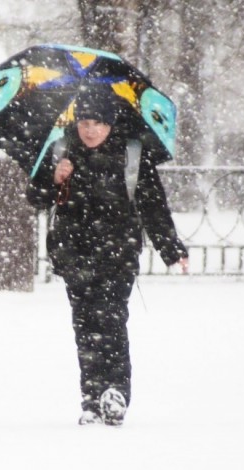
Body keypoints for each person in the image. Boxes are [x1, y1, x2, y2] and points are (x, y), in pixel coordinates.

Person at [26, 84, 188, 427]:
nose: (90, 129)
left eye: (98, 122)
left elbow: (153, 206)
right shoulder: (61, 149)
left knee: (111, 320)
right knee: (85, 326)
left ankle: (114, 392)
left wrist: (171, 248)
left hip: (118, 255)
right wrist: (53, 178)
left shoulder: (132, 155)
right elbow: (36, 199)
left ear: (111, 123)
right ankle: (91, 398)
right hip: (73, 255)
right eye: (84, 121)